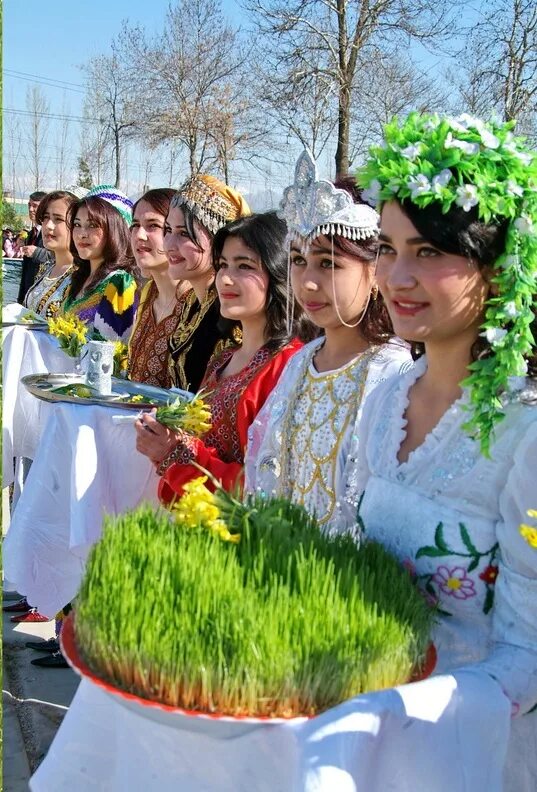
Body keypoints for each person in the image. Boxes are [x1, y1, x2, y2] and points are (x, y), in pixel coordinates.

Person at [350, 112, 537, 789]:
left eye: (428, 251)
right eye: (386, 247)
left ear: (498, 267)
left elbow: (528, 655)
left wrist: (401, 702)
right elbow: (352, 550)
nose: (396, 276)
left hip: (472, 749)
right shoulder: (384, 396)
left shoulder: (524, 435)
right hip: (366, 728)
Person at [245, 152, 410, 532]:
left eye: (329, 263)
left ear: (375, 271)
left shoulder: (393, 375)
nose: (307, 282)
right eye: (299, 261)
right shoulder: (300, 363)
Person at [135, 211, 305, 500]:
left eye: (244, 266)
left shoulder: (290, 365)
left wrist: (173, 455)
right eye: (223, 265)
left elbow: (266, 488)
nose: (226, 278)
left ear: (279, 273)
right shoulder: (224, 359)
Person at [163, 174, 250, 392]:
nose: (169, 245)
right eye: (168, 231)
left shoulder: (230, 310)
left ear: (218, 240)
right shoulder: (192, 300)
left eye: (184, 233)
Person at [128, 188, 191, 388]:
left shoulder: (197, 302)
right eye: (135, 225)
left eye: (153, 225)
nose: (139, 235)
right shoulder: (148, 293)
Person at [63, 185, 140, 341]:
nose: (82, 234)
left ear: (116, 229)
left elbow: (114, 354)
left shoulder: (119, 284)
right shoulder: (77, 278)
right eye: (77, 225)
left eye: (92, 225)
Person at [23, 191, 77, 318]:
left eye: (58, 219)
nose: (48, 225)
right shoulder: (46, 268)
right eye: (46, 218)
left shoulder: (83, 277)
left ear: (76, 225)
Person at [17, 190, 53, 303]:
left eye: (35, 206)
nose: (31, 209)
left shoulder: (51, 233)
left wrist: (37, 252)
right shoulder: (32, 233)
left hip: (42, 296)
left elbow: (59, 257)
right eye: (29, 205)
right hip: (27, 295)